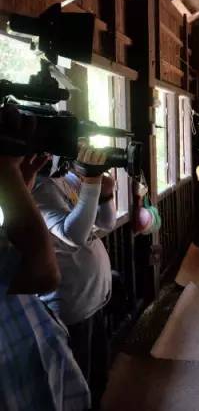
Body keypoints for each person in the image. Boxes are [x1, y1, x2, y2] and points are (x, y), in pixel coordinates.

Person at [0, 105, 90, 410]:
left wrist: (17, 180)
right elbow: (47, 266)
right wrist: (9, 174)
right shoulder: (46, 189)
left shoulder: (60, 182)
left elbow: (101, 223)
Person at [32, 141, 117, 408]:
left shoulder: (67, 181)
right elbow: (74, 235)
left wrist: (105, 194)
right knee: (78, 389)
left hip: (91, 300)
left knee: (98, 379)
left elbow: (105, 223)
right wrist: (92, 184)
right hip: (71, 308)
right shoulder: (37, 189)